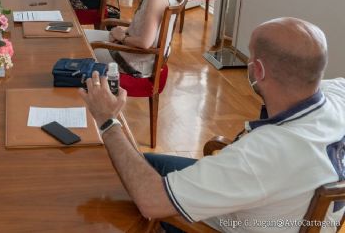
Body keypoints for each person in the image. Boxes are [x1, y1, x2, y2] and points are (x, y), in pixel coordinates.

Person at [80, 17, 345, 232]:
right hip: (284, 202)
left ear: (259, 70)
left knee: (132, 192)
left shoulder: (260, 156)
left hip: (231, 216)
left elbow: (152, 201)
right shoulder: (339, 96)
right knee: (145, 163)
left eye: (250, 57)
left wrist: (107, 120)